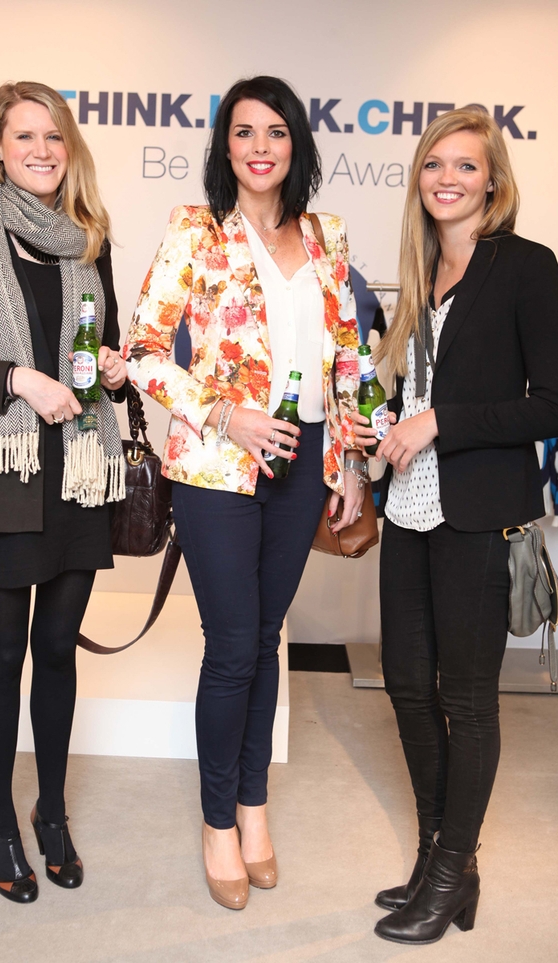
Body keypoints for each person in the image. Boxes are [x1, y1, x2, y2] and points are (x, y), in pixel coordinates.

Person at [124, 75, 365, 910]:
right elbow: (143, 353)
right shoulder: (195, 232)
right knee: (231, 647)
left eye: (275, 132)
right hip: (218, 470)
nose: (260, 146)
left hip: (303, 470)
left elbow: (345, 360)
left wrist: (351, 465)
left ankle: (254, 808)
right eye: (243, 132)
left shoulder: (328, 236)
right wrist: (226, 413)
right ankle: (217, 822)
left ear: (296, 144)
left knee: (266, 641)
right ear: (224, 147)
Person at [0, 81, 127, 903]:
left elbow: (100, 346)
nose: (42, 149)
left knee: (58, 650)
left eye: (55, 136)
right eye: (25, 136)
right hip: (2, 478)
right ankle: (0, 817)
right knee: (4, 652)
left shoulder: (90, 240)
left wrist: (112, 366)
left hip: (76, 477)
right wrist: (17, 380)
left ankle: (52, 810)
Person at [353, 106, 558, 944]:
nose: (447, 178)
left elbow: (547, 402)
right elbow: (408, 396)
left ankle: (447, 869)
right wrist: (386, 419)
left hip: (478, 511)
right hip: (408, 506)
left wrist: (439, 421)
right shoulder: (424, 266)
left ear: (494, 181)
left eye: (465, 166)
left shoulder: (528, 267)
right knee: (406, 684)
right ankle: (445, 856)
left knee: (467, 700)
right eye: (434, 164)